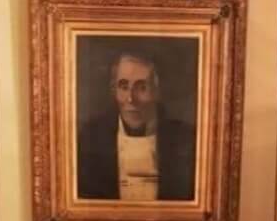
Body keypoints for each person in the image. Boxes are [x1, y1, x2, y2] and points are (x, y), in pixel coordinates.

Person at [77, 51, 196, 201]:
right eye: (123, 86)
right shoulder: (91, 137)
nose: (131, 99)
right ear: (114, 90)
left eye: (141, 87)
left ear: (157, 91)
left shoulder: (185, 139)